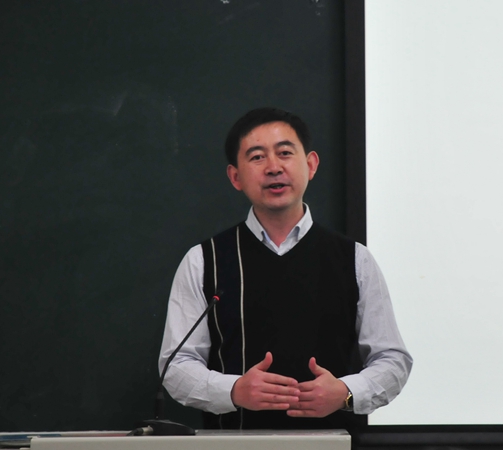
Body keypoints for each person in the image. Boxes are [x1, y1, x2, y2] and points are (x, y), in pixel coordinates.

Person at [158, 107, 412, 430]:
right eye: (257, 157)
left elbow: (393, 360)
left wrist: (346, 392)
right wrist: (233, 391)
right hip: (233, 445)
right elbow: (176, 365)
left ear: (311, 165)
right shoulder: (203, 260)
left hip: (334, 445)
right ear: (235, 177)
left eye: (285, 153)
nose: (274, 167)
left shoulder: (355, 259)